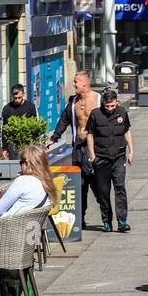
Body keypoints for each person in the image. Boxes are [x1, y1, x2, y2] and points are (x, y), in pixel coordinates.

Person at [48, 71, 101, 228]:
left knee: (98, 185)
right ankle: (81, 218)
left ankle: (107, 215)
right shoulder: (72, 102)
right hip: (77, 148)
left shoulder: (99, 99)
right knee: (80, 185)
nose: (74, 84)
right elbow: (63, 121)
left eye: (76, 81)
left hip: (94, 149)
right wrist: (53, 138)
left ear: (84, 83)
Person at [86, 88, 134, 232]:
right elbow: (90, 135)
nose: (110, 109)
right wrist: (93, 156)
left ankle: (122, 221)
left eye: (112, 105)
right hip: (101, 158)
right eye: (107, 106)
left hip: (119, 156)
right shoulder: (95, 114)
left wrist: (131, 151)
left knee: (120, 188)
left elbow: (126, 131)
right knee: (103, 191)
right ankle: (106, 221)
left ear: (116, 102)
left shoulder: (122, 112)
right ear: (103, 104)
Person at [0, 144, 57, 218]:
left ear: (27, 164)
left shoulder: (23, 181)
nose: (20, 167)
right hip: (32, 226)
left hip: (5, 226)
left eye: (21, 163)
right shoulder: (47, 183)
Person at [0, 84, 38, 155]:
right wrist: (4, 148)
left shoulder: (31, 107)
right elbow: (4, 129)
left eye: (19, 97)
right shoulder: (7, 109)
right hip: (12, 144)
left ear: (23, 94)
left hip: (28, 143)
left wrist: (35, 144)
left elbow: (35, 126)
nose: (17, 100)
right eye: (15, 98)